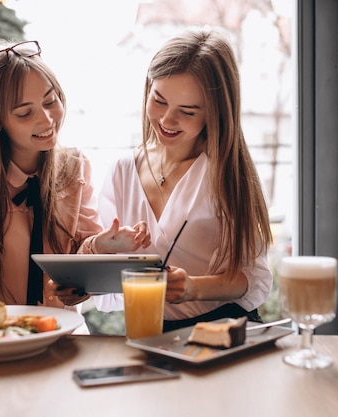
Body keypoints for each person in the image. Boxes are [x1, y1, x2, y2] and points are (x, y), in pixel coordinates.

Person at [0, 40, 150, 311]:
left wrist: (98, 250)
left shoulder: (74, 166)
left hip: (62, 335)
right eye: (24, 113)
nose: (46, 120)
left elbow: (79, 272)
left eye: (50, 101)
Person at [95, 28, 274, 331]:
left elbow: (253, 278)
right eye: (159, 101)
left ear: (214, 113)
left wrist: (192, 287)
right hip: (146, 331)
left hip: (221, 332)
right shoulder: (123, 171)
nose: (166, 121)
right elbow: (108, 283)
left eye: (187, 112)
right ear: (148, 89)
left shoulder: (224, 172)